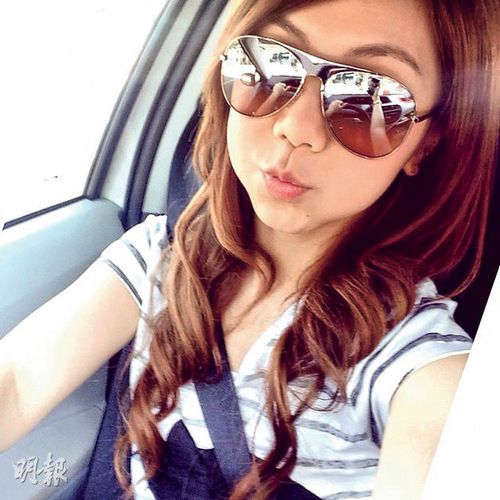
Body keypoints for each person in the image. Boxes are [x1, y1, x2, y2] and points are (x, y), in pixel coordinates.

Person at [0, 0, 498, 499]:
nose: (295, 128)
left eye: (367, 99)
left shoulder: (408, 356)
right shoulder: (159, 258)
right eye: (269, 64)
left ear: (426, 143)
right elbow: (19, 381)